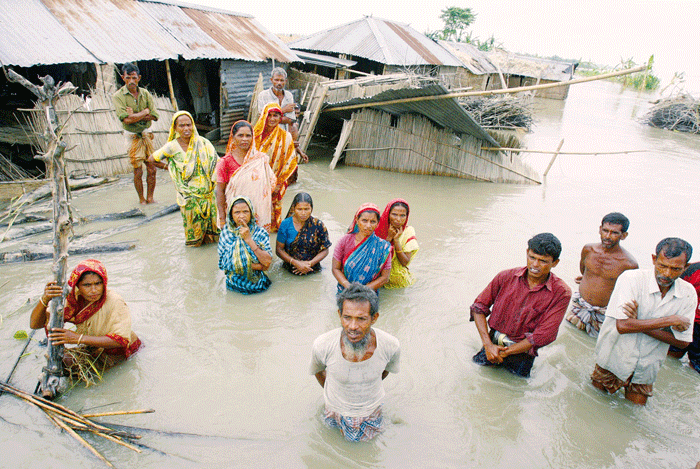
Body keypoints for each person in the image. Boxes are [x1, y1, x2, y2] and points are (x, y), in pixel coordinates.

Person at [592, 238, 696, 405]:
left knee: (634, 417)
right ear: (654, 259)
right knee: (593, 404)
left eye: (675, 269)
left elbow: (683, 342)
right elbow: (623, 326)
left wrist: (638, 322)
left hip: (647, 367)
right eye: (663, 266)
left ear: (686, 267)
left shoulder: (688, 293)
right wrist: (668, 321)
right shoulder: (631, 279)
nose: (667, 274)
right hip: (614, 358)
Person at [470, 233, 572, 378]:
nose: (535, 265)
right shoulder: (505, 277)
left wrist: (505, 352)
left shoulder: (561, 293)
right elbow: (478, 307)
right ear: (526, 253)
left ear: (555, 263)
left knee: (516, 390)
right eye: (532, 257)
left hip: (522, 355)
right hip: (491, 345)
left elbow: (544, 335)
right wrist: (487, 345)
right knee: (475, 376)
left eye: (543, 261)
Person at [310, 283, 400, 442]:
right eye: (347, 317)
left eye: (361, 319)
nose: (352, 327)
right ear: (339, 314)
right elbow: (318, 371)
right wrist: (337, 392)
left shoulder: (390, 345)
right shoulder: (322, 345)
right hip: (334, 410)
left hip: (371, 412)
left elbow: (383, 372)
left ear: (374, 318)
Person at [29, 259, 141, 370]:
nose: (94, 290)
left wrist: (77, 338)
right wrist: (44, 299)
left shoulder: (115, 301)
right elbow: (35, 325)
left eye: (98, 283)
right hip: (94, 346)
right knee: (62, 361)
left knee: (70, 367)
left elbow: (121, 340)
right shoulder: (73, 300)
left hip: (120, 351)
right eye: (87, 285)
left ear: (104, 283)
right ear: (77, 286)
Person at [148, 111, 219, 247]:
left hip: (207, 196)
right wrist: (167, 167)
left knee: (212, 239)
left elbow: (216, 163)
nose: (186, 129)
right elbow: (151, 159)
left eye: (189, 125)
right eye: (181, 126)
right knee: (194, 239)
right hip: (188, 197)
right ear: (175, 128)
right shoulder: (172, 146)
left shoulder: (203, 143)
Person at [566, 212, 638, 337]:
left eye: (614, 233)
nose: (608, 236)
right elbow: (584, 271)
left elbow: (629, 294)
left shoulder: (629, 264)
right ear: (600, 230)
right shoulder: (588, 250)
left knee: (595, 347)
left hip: (604, 313)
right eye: (605, 230)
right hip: (579, 305)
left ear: (624, 235)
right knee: (568, 337)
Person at [215, 120, 276, 231]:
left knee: (257, 246)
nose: (244, 139)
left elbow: (268, 186)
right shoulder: (224, 162)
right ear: (233, 138)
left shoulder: (261, 159)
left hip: (259, 212)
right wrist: (222, 218)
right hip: (236, 214)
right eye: (240, 135)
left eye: (248, 136)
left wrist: (270, 209)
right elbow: (220, 192)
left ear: (252, 138)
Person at [112, 62, 159, 204]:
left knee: (152, 168)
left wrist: (135, 115)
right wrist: (145, 112)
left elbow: (155, 115)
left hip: (146, 133)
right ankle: (142, 199)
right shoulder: (118, 96)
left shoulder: (145, 94)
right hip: (131, 136)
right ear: (122, 78)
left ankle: (150, 197)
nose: (131, 81)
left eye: (134, 78)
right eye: (128, 78)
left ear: (139, 77)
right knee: (137, 170)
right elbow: (126, 120)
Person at [253, 103, 298, 232]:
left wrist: (278, 183)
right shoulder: (255, 136)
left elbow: (289, 162)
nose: (272, 119)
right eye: (269, 115)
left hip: (276, 182)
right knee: (256, 212)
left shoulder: (285, 136)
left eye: (276, 116)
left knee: (273, 214)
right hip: (256, 181)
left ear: (280, 118)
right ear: (264, 116)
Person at [218, 196, 272, 294]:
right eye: (237, 212)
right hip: (234, 285)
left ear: (251, 213)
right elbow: (224, 264)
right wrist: (257, 266)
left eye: (245, 211)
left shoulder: (260, 232)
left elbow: (267, 263)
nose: (241, 216)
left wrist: (248, 239)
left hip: (259, 285)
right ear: (231, 215)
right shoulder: (226, 233)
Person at [332, 203, 391, 292]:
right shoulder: (344, 241)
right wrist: (348, 286)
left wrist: (364, 289)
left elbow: (385, 277)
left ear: (378, 223)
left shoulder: (383, 246)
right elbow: (335, 268)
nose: (368, 225)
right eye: (364, 220)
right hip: (345, 290)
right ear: (357, 220)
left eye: (373, 221)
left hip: (369, 293)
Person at [256, 67, 308, 162]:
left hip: (283, 139)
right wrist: (283, 110)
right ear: (271, 80)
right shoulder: (263, 95)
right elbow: (263, 119)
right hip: (267, 138)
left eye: (281, 80)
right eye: (276, 80)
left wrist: (272, 116)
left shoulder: (288, 96)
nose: (279, 83)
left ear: (285, 81)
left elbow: (291, 120)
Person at [275, 192, 331, 275]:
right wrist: (296, 263)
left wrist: (309, 264)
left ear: (311, 208)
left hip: (312, 269)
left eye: (306, 209)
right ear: (294, 209)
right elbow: (279, 250)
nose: (303, 213)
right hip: (289, 269)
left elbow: (325, 250)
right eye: (299, 209)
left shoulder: (318, 225)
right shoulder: (285, 224)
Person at [375, 199, 419, 288]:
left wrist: (396, 240)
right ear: (388, 214)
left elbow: (405, 262)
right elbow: (375, 259)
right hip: (377, 281)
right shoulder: (377, 229)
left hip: (398, 282)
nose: (398, 219)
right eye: (394, 214)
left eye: (402, 215)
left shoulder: (408, 231)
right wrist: (389, 238)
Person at [667, 262, 700, 373]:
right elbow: (673, 291)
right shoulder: (694, 270)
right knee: (669, 357)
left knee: (696, 368)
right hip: (683, 320)